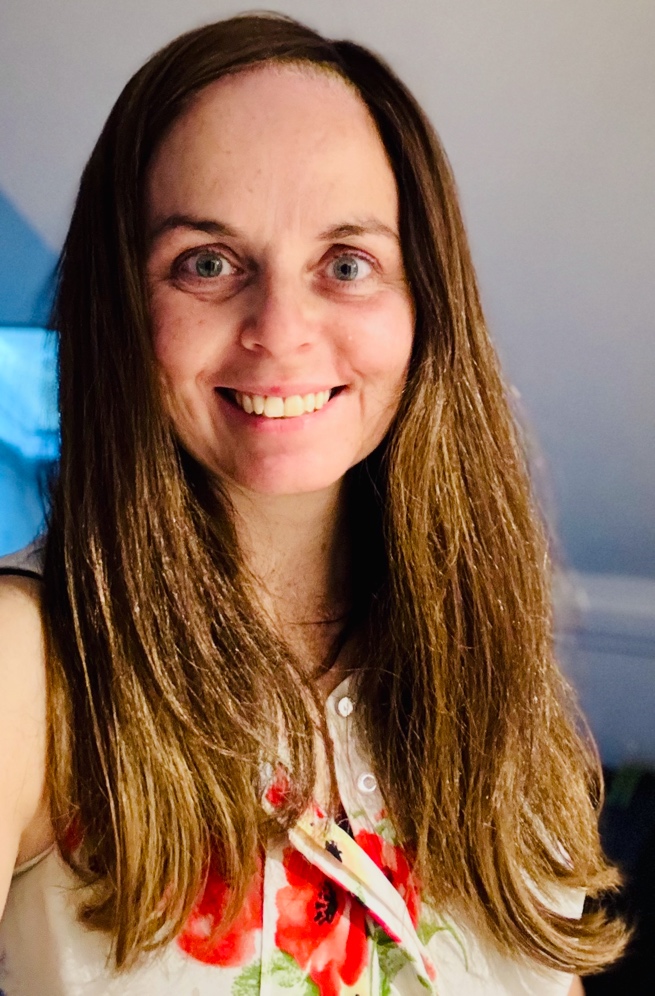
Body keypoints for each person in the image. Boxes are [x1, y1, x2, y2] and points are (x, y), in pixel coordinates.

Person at [0, 12, 625, 995]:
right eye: (207, 262)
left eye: (345, 264)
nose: (281, 331)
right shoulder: (28, 664)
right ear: (122, 305)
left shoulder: (493, 658)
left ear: (424, 304)